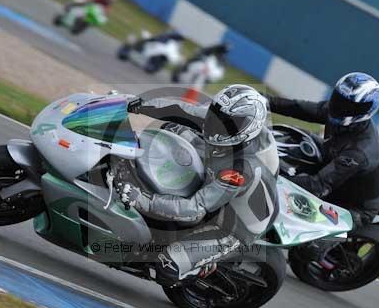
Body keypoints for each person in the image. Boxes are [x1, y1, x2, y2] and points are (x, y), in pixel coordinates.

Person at [116, 85, 279, 284]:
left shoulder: (241, 170)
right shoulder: (224, 121)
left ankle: (201, 267)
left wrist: (142, 199)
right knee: (173, 130)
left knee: (167, 266)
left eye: (228, 122)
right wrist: (135, 103)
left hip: (231, 226)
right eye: (216, 114)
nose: (217, 123)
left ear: (246, 128)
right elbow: (180, 110)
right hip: (219, 173)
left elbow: (195, 209)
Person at [266, 72, 379, 229]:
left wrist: (269, 181)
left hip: (354, 207)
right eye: (339, 99)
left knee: (307, 233)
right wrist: (263, 99)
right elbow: (298, 108)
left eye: (348, 105)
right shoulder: (337, 112)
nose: (339, 107)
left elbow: (318, 186)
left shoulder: (360, 151)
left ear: (364, 111)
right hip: (333, 164)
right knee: (291, 138)